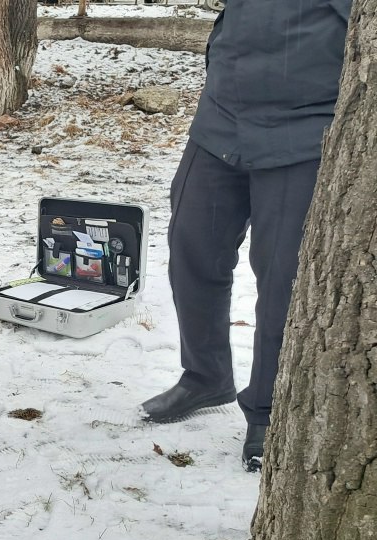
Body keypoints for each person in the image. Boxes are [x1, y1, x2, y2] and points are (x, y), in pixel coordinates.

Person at [139, 0, 353, 472]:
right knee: (192, 248)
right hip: (222, 117)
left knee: (281, 277)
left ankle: (267, 410)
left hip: (305, 127)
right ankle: (205, 375)